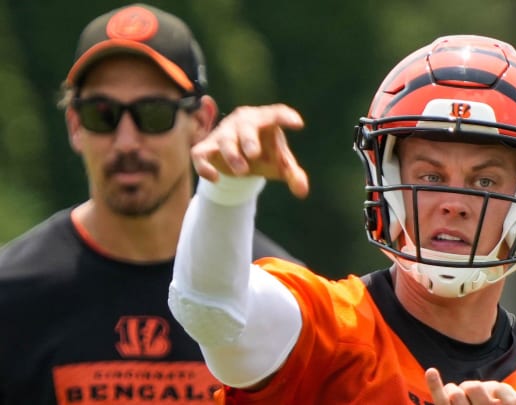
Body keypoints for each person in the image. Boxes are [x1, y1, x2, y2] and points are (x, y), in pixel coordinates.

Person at [169, 35, 516, 404]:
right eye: (430, 175)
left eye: (485, 182)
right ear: (388, 181)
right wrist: (225, 193)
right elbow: (210, 311)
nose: (454, 202)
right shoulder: (325, 334)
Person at [0, 4, 302, 405]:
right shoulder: (12, 295)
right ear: (74, 125)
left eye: (154, 113)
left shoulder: (274, 294)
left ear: (201, 122)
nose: (126, 142)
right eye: (102, 114)